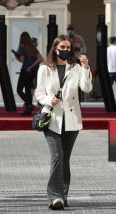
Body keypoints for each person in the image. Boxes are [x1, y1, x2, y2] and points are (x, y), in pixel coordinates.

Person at [35, 35, 92, 210]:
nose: (66, 50)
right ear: (55, 48)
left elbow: (86, 88)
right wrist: (48, 99)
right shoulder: (45, 68)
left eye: (69, 47)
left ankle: (63, 196)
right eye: (63, 47)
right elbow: (38, 93)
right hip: (52, 118)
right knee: (57, 157)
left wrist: (86, 68)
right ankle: (55, 196)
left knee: (65, 159)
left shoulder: (75, 68)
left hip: (72, 119)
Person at [14, 31, 43, 115]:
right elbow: (40, 58)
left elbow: (22, 60)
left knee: (19, 89)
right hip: (31, 72)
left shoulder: (22, 47)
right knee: (28, 89)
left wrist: (16, 57)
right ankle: (29, 108)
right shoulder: (32, 47)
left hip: (25, 70)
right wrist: (31, 67)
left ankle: (29, 105)